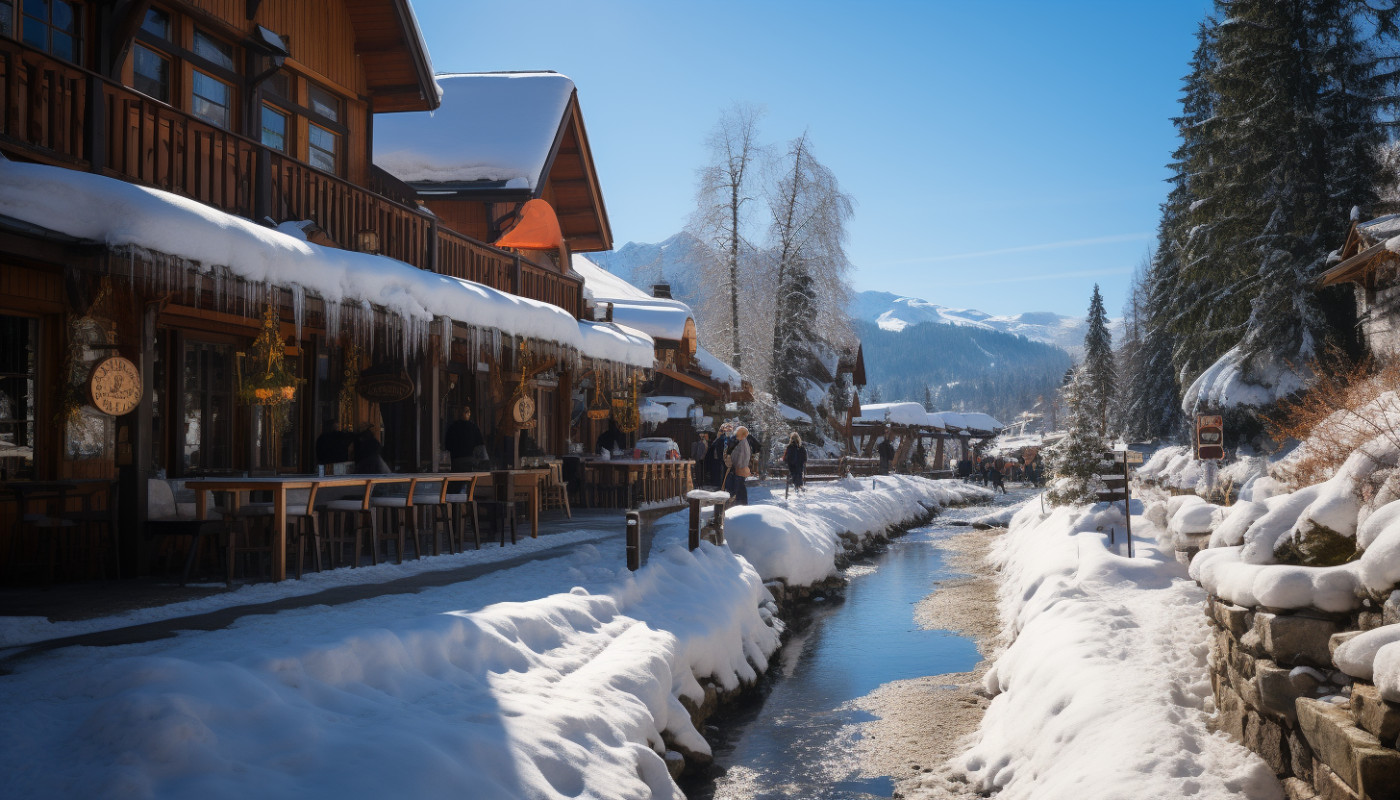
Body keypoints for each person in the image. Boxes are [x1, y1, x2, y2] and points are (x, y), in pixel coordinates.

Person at [443, 407, 484, 471]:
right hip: (469, 461)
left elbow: (447, 446)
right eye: (467, 412)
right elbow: (480, 445)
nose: (468, 414)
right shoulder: (473, 427)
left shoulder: (452, 427)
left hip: (456, 461)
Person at [724, 426, 752, 505]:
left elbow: (740, 457)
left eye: (737, 433)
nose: (736, 435)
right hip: (740, 469)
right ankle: (741, 504)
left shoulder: (742, 443)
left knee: (739, 488)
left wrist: (735, 466)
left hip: (739, 469)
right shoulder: (743, 442)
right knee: (740, 488)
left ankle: (740, 505)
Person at [707, 424, 733, 489]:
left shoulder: (724, 438)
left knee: (723, 473)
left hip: (722, 459)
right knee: (723, 473)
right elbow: (719, 449)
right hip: (722, 459)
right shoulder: (722, 439)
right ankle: (722, 486)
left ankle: (723, 485)